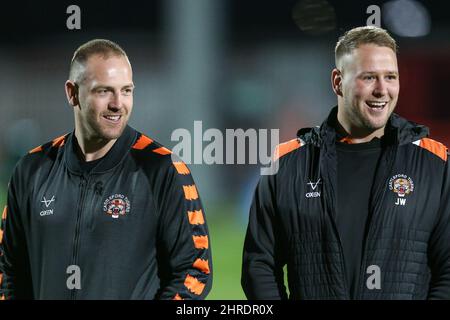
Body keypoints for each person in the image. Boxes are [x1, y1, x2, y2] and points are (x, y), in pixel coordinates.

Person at [242, 26, 450, 300]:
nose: (382, 90)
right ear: (338, 82)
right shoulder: (286, 165)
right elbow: (259, 267)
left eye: (391, 77)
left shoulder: (436, 164)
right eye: (369, 77)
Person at [0, 39, 212, 299]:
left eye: (126, 91)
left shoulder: (162, 169)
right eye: (104, 91)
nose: (117, 103)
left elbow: (194, 271)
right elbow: (9, 270)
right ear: (72, 92)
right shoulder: (31, 170)